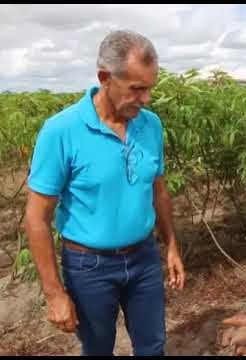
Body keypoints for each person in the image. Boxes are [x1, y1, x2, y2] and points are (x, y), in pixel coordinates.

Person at [24, 30, 185, 356]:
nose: (146, 99)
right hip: (89, 267)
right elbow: (36, 217)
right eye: (137, 89)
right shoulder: (61, 131)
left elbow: (159, 189)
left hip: (144, 259)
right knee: (98, 349)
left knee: (153, 346)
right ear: (104, 78)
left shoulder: (150, 125)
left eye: (150, 89)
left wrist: (171, 246)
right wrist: (54, 293)